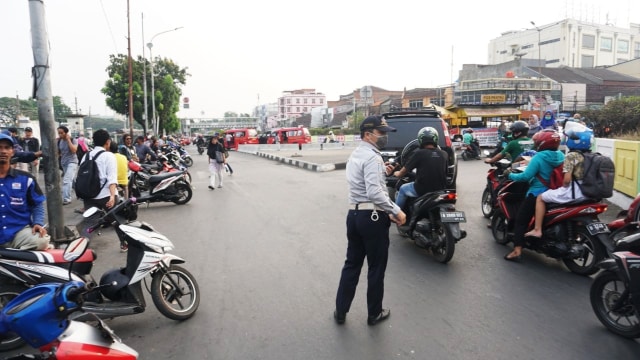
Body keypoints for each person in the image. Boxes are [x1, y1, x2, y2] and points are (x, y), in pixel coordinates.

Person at [334, 115, 406, 326]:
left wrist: (383, 172)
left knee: (352, 264)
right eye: (381, 132)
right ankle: (374, 313)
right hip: (372, 218)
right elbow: (374, 192)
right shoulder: (373, 158)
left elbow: (362, 182)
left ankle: (341, 311)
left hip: (354, 215)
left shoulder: (356, 155)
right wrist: (396, 210)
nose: (384, 136)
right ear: (368, 134)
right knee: (376, 267)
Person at [503, 129, 565, 261]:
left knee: (520, 221)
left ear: (542, 143)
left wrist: (510, 174)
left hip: (536, 193)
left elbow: (525, 176)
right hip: (555, 191)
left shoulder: (539, 157)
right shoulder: (561, 155)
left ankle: (517, 250)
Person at [524, 128, 592, 238]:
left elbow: (566, 180)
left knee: (540, 198)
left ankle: (537, 230)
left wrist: (563, 185)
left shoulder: (571, 156)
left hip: (574, 192)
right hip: (589, 192)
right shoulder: (591, 156)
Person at [0, 132, 50, 250]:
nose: (3, 151)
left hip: (18, 232)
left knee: (41, 241)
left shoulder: (26, 179)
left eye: (7, 147)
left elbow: (37, 204)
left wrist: (37, 223)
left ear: (12, 152)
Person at [393, 127, 449, 210]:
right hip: (440, 190)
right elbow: (446, 173)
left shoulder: (419, 153)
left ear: (421, 140)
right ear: (435, 139)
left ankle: (396, 215)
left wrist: (396, 173)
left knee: (402, 189)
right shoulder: (444, 154)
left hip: (422, 189)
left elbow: (403, 172)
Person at [57, 125, 78, 205]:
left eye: (61, 133)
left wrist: (68, 140)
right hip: (64, 163)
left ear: (66, 133)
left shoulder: (73, 140)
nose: (60, 135)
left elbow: (74, 150)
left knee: (66, 180)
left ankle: (66, 198)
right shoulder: (59, 141)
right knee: (72, 181)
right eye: (59, 133)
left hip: (72, 162)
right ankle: (81, 193)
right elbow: (58, 153)